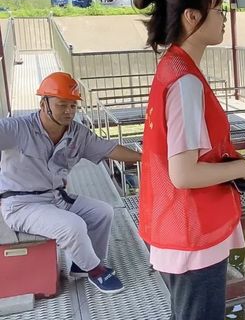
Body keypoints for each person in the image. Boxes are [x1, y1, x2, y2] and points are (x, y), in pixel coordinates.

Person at [134, 0, 245, 320]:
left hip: (174, 223)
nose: (224, 18)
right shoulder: (186, 81)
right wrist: (243, 169)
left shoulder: (171, 66)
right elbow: (184, 173)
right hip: (192, 231)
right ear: (192, 17)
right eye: (219, 9)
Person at [0, 72, 141, 294]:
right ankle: (96, 271)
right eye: (62, 105)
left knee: (102, 212)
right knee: (72, 226)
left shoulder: (77, 133)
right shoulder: (17, 128)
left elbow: (109, 149)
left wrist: (147, 158)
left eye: (73, 105)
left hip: (56, 197)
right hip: (21, 205)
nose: (69, 111)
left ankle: (82, 266)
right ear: (44, 104)